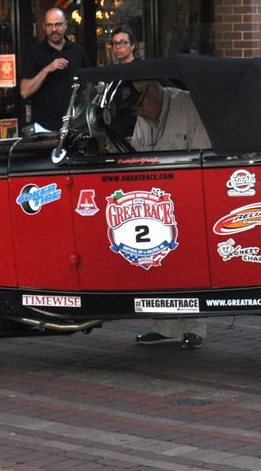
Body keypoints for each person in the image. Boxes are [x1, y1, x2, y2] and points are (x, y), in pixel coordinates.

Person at [128, 80, 210, 349]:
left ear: (153, 92)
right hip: (155, 200)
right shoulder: (143, 114)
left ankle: (194, 327)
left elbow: (203, 153)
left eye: (141, 107)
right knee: (156, 261)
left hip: (188, 193)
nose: (141, 113)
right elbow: (138, 151)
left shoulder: (186, 104)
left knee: (189, 261)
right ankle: (164, 327)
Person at [20, 8, 91, 133]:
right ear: (43, 26)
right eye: (49, 25)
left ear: (66, 25)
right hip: (44, 127)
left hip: (76, 126)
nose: (54, 29)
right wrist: (47, 69)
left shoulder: (78, 51)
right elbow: (25, 91)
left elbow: (90, 87)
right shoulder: (33, 53)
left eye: (58, 24)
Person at [107, 26, 140, 137]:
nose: (118, 47)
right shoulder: (113, 73)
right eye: (115, 43)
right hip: (114, 133)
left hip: (135, 134)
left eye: (123, 43)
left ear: (132, 45)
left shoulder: (139, 69)